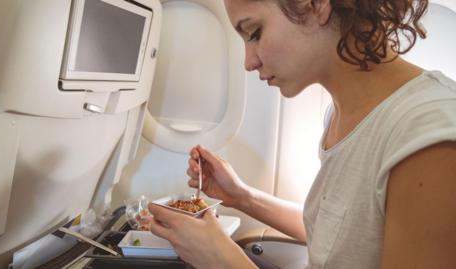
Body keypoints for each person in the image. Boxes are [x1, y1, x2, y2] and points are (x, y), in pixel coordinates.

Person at [148, 0, 456, 268]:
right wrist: (242, 198)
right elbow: (345, 238)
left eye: (255, 33)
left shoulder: (427, 134)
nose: (248, 62)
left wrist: (222, 259)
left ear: (317, 4)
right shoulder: (339, 114)